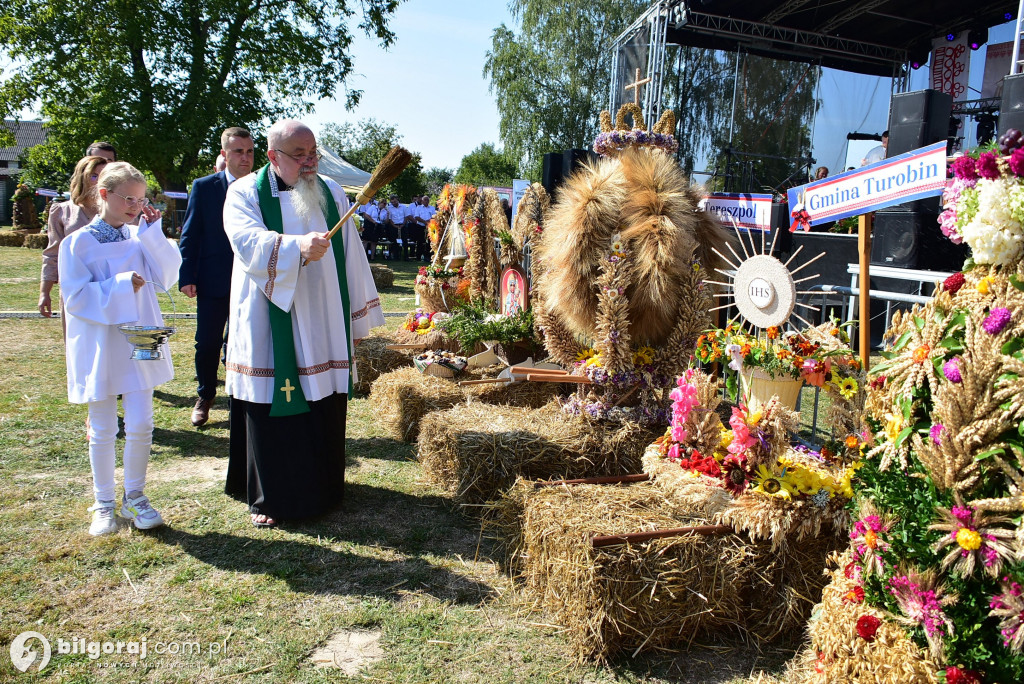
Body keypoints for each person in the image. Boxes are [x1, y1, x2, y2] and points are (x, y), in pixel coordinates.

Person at [222, 119, 384, 527]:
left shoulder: (329, 190)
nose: (310, 162)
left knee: (323, 401)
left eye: (313, 153)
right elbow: (246, 241)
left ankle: (325, 489)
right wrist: (295, 248)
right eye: (299, 155)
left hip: (323, 315)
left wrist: (359, 319)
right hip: (268, 313)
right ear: (274, 157)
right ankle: (272, 498)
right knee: (275, 400)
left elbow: (351, 253)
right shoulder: (243, 193)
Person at [58, 162, 181, 535]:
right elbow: (76, 298)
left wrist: (154, 235)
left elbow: (166, 278)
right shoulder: (77, 243)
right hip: (101, 342)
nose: (134, 205)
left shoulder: (138, 236)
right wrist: (123, 283)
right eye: (128, 198)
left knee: (142, 421)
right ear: (104, 194)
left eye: (141, 199)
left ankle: (136, 496)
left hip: (141, 337)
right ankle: (104, 502)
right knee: (103, 426)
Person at [178, 127, 255, 427]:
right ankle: (205, 395)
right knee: (207, 342)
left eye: (249, 151)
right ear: (224, 154)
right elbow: (191, 233)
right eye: (238, 151)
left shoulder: (262, 188)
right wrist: (187, 274)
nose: (245, 158)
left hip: (250, 280)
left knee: (241, 341)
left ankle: (242, 397)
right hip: (213, 278)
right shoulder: (205, 186)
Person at [39, 155, 109, 323]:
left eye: (104, 176)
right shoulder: (62, 211)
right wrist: (44, 292)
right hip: (75, 289)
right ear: (82, 178)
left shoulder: (116, 211)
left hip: (110, 287)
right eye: (94, 176)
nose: (99, 181)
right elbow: (52, 253)